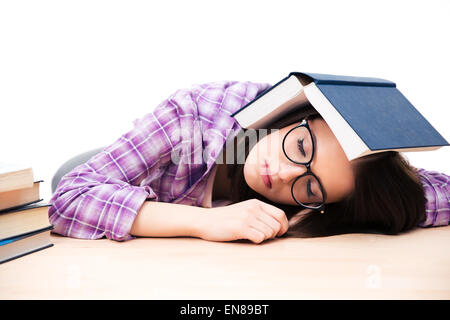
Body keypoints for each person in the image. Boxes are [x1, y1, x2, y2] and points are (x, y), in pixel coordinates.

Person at [49, 80, 449, 243]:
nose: (283, 173)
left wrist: (339, 214)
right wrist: (205, 222)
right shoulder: (195, 120)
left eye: (310, 187)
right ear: (297, 117)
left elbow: (434, 194)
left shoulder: (336, 188)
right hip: (129, 175)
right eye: (301, 148)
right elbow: (70, 197)